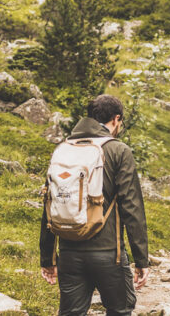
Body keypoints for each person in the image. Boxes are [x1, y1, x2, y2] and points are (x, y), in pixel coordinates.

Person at [40, 95, 150, 316]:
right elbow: (132, 207)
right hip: (109, 253)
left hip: (69, 253)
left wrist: (48, 259)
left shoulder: (63, 149)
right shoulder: (118, 151)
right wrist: (141, 260)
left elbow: (50, 205)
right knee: (120, 310)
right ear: (116, 119)